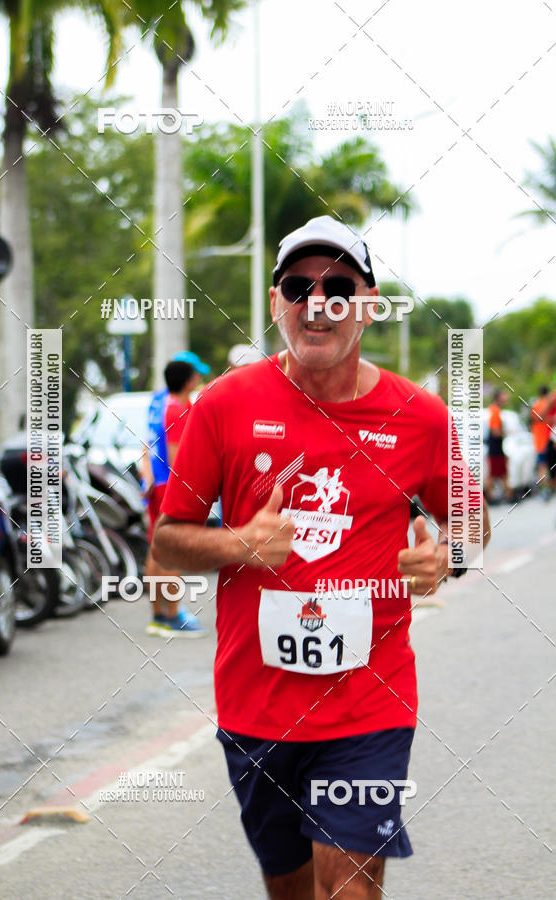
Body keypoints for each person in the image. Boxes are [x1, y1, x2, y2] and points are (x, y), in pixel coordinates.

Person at [152, 215, 491, 898]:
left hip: (371, 703)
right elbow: (168, 538)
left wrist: (447, 558)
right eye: (298, 285)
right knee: (292, 889)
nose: (318, 301)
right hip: (257, 708)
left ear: (367, 305)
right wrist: (240, 543)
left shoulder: (419, 417)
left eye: (338, 285)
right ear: (277, 302)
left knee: (350, 886)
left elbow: (471, 522)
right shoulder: (223, 407)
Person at [141, 352, 209, 638]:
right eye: (197, 374)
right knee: (173, 550)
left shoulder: (159, 403)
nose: (200, 378)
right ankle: (172, 617)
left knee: (156, 549)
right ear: (188, 378)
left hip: (157, 484)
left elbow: (146, 447)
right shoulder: (178, 409)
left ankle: (159, 616)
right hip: (171, 485)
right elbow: (177, 455)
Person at [485, 389, 513, 503]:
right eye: (504, 394)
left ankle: (508, 494)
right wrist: (507, 432)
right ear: (498, 397)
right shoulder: (495, 411)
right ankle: (490, 496)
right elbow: (495, 432)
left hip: (497, 447)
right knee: (494, 474)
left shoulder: (495, 410)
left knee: (502, 473)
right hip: (495, 447)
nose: (506, 397)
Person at [530, 385, 555, 497]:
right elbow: (539, 418)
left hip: (543, 439)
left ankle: (546, 487)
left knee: (543, 464)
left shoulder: (537, 404)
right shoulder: (545, 404)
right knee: (544, 464)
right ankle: (545, 487)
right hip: (544, 439)